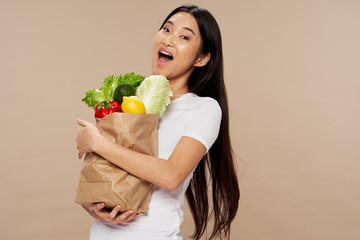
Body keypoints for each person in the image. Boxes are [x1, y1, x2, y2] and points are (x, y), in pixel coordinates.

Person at [76, 5, 240, 240]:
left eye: (184, 36)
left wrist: (98, 143)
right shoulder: (131, 102)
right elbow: (100, 176)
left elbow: (171, 176)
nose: (169, 40)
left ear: (202, 58)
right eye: (166, 29)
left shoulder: (203, 109)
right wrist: (92, 207)